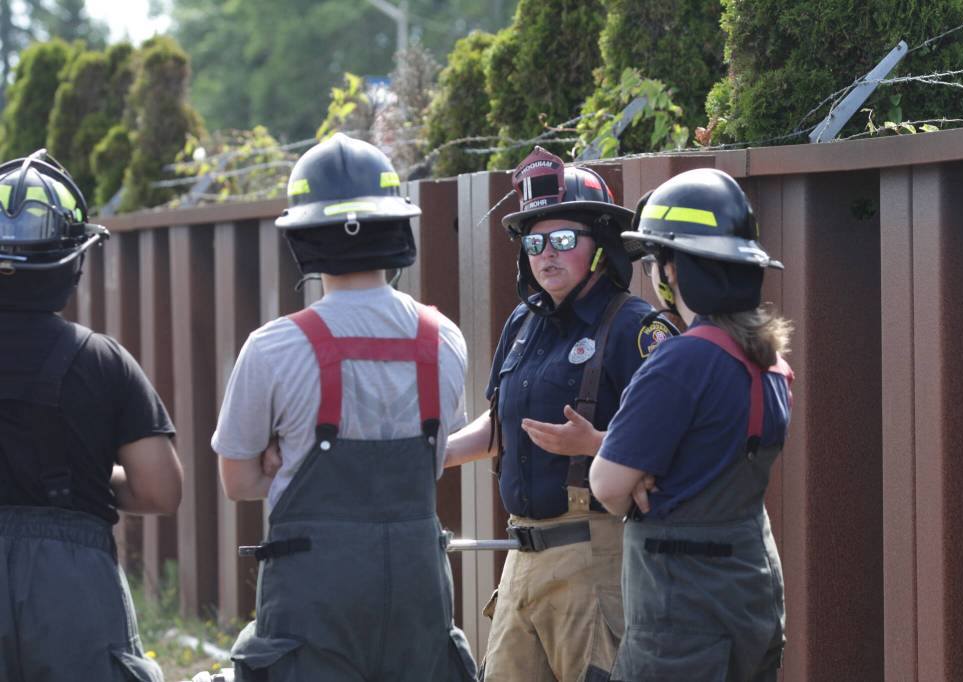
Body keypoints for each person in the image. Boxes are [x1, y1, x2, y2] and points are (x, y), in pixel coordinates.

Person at [213, 133, 476, 681]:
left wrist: (281, 462)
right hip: (416, 597)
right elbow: (436, 453)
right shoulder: (444, 339)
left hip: (313, 604)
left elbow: (238, 482)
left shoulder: (271, 348)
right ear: (397, 227)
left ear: (303, 238)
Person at [445, 146, 675, 682]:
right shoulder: (521, 325)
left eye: (564, 239)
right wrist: (434, 455)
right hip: (521, 560)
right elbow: (502, 427)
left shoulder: (634, 328)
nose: (546, 254)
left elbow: (680, 441)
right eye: (534, 242)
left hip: (596, 562)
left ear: (601, 246)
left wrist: (595, 443)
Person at [589, 168, 793, 682]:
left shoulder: (680, 362)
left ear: (673, 270)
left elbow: (609, 486)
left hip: (683, 618)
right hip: (751, 596)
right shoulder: (770, 364)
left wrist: (642, 474)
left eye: (656, 258)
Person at [0, 150, 182, 682]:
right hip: (71, 596)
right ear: (72, 260)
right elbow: (159, 490)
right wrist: (82, 474)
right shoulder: (101, 360)